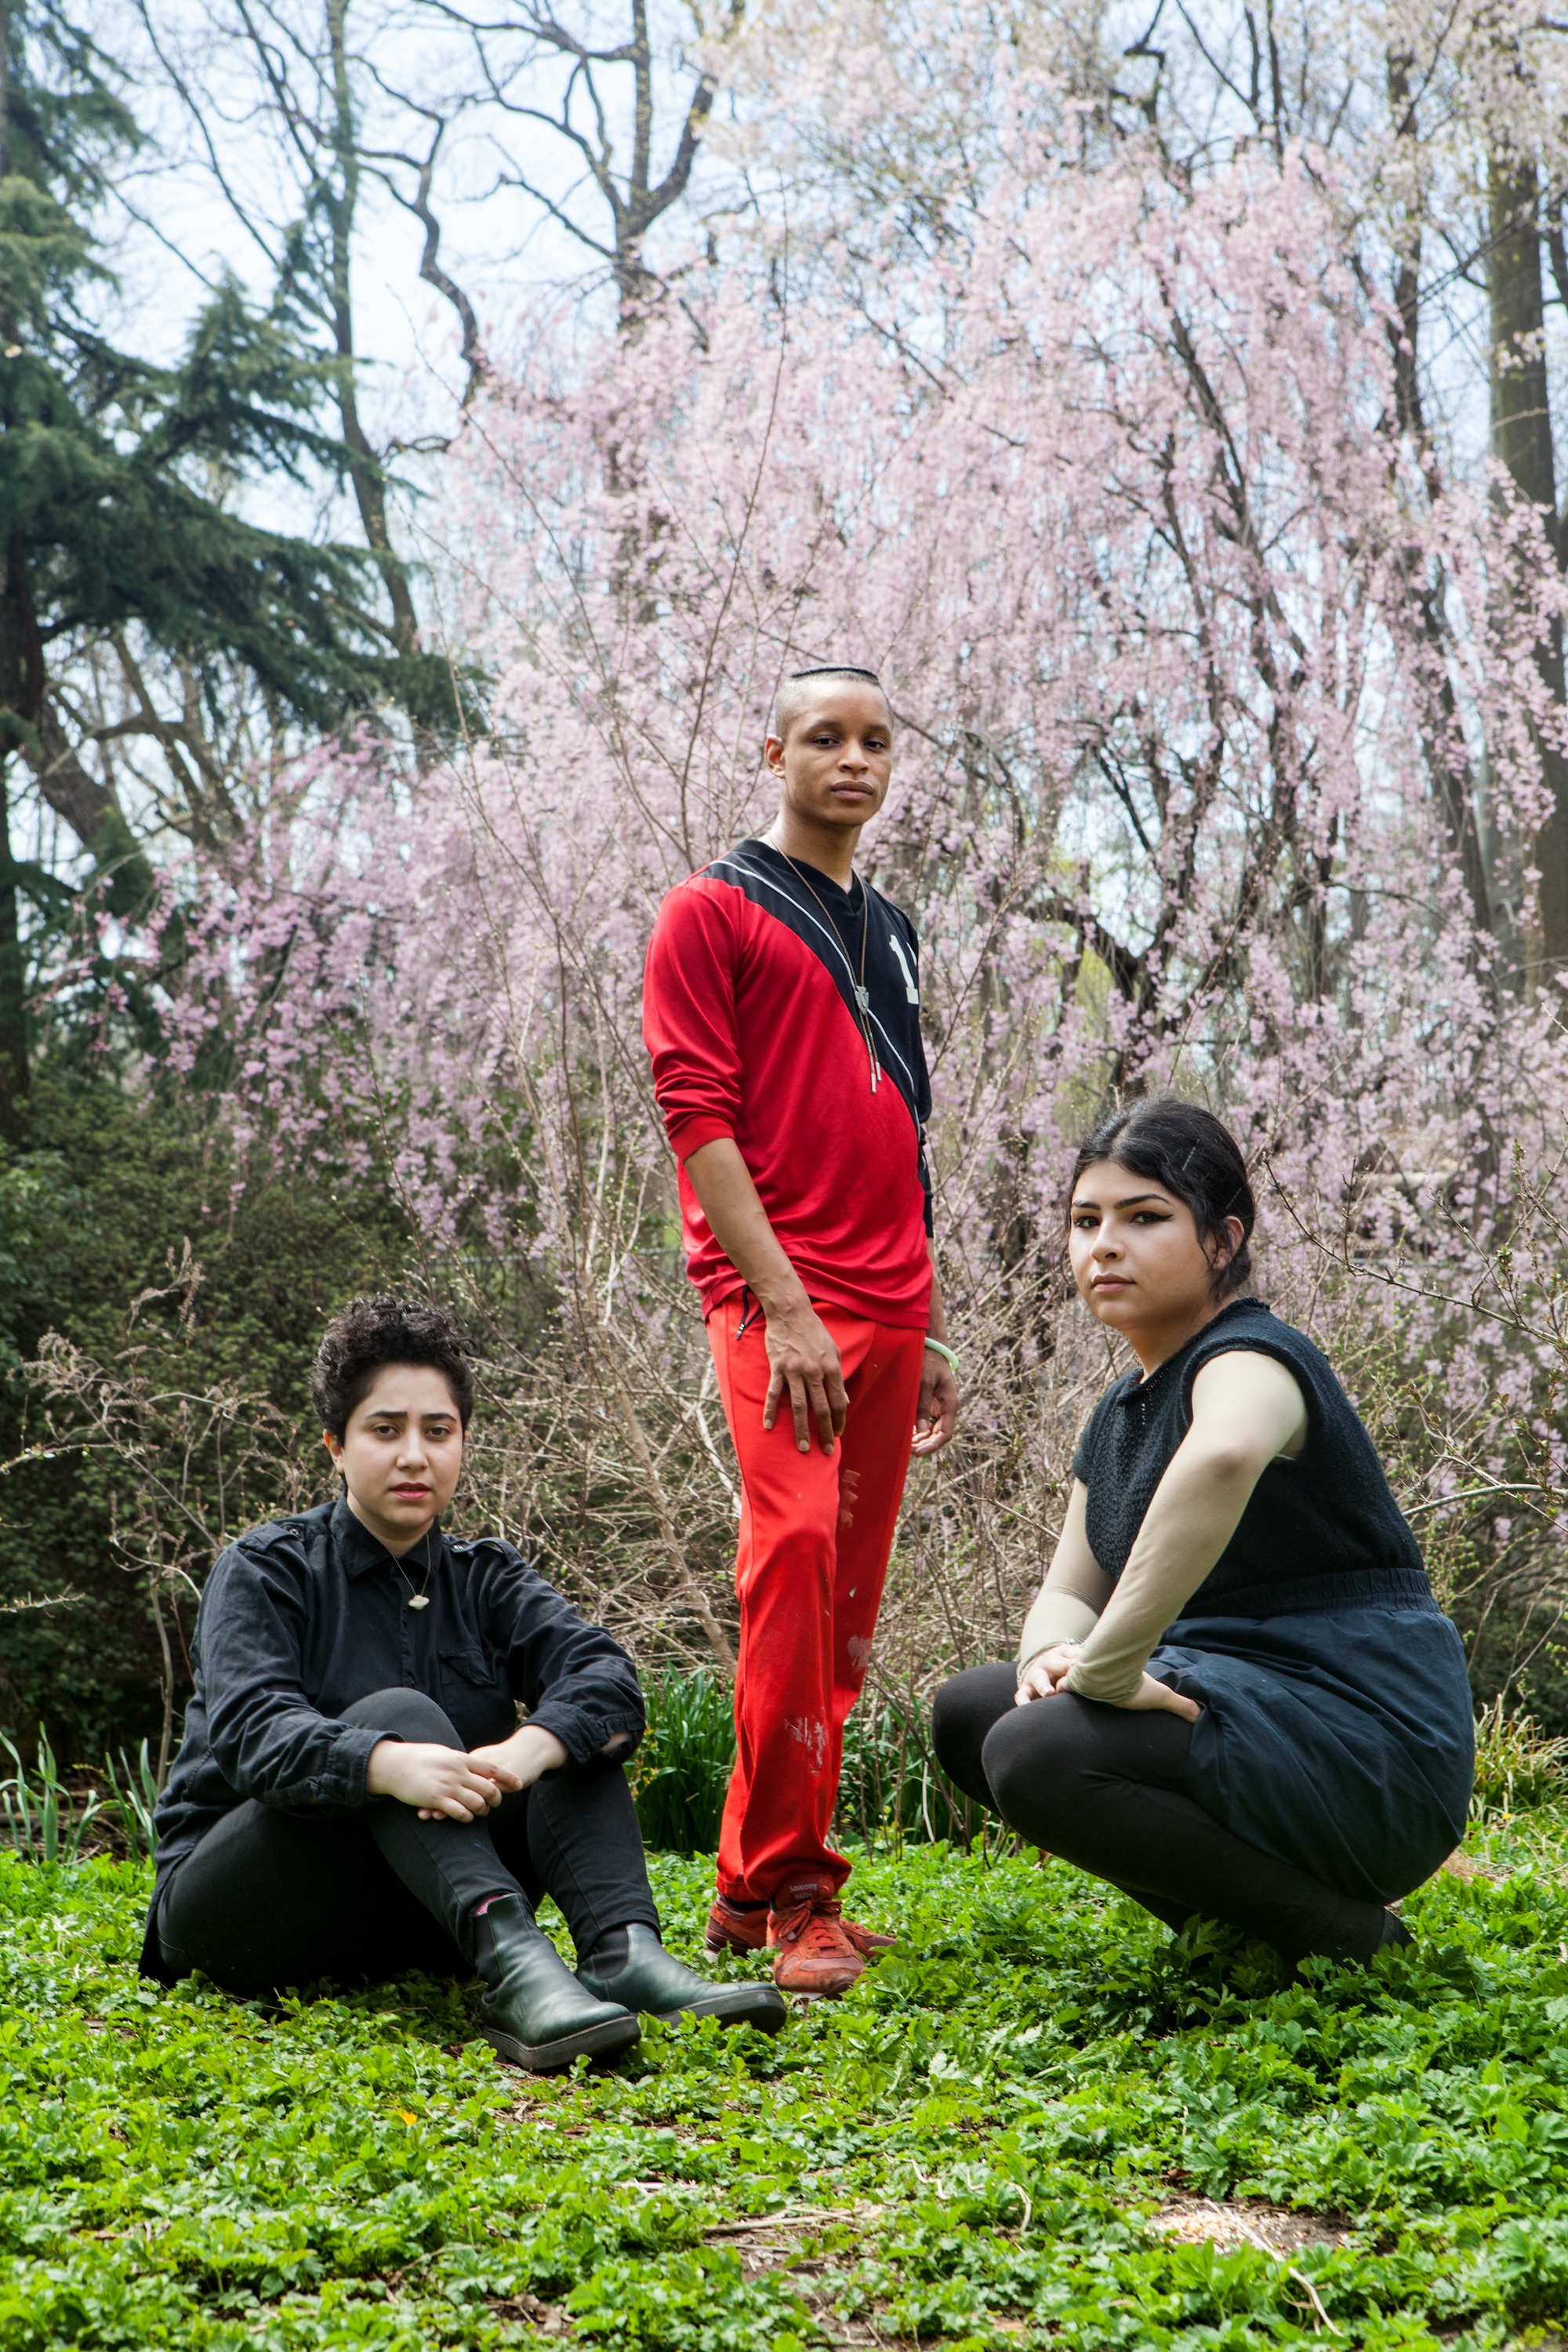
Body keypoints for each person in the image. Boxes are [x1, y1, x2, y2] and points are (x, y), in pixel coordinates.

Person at [140, 1297, 786, 2067]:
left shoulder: (487, 1577)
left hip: (421, 1918)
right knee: (400, 1715)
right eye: (385, 1430)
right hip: (248, 1911)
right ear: (335, 1446)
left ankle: (623, 1957)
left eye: (436, 1432)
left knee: (577, 1732)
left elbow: (605, 1679)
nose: (414, 1456)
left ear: (462, 1444)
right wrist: (386, 1764)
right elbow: (251, 1736)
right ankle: (516, 1967)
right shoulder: (268, 1570)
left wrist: (533, 1747)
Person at [931, 1099, 1475, 1967]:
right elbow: (1069, 1588)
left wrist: (1109, 1665)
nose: (1103, 1244)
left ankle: (1341, 1939)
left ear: (1222, 1241)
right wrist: (1049, 1658)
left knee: (1037, 1752)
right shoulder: (1118, 1413)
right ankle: (1238, 1929)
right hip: (1227, 1706)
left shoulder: (1251, 1358)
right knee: (975, 1712)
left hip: (1366, 1742)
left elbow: (1222, 1454)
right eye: (1085, 1221)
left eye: (1144, 1217)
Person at [642, 665, 960, 1995]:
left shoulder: (889, 925)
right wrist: (785, 1307)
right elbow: (696, 1116)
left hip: (892, 1301)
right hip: (783, 1297)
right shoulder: (709, 912)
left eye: (875, 741)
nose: (853, 759)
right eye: (824, 737)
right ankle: (790, 1897)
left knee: (843, 1603)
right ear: (772, 753)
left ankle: (753, 1890)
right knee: (791, 1560)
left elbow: (905, 1127)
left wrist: (928, 1316)